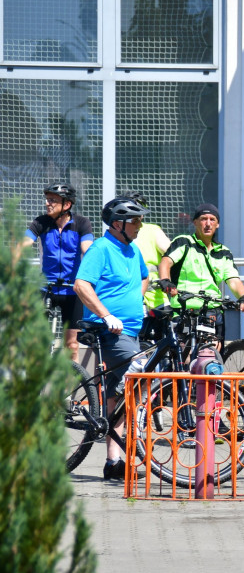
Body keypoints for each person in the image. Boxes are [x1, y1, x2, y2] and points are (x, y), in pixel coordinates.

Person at [73, 197, 150, 480]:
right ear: (118, 224)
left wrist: (139, 299)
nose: (140, 225)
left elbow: (145, 277)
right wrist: (106, 315)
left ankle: (113, 462)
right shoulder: (101, 249)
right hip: (108, 330)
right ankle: (118, 442)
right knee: (140, 367)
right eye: (135, 221)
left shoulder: (132, 250)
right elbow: (81, 285)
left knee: (118, 394)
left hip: (131, 329)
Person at [156, 203, 244, 339]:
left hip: (212, 309)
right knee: (185, 354)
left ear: (217, 224)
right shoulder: (184, 242)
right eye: (203, 219)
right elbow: (166, 262)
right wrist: (166, 281)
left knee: (212, 353)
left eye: (212, 219)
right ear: (195, 222)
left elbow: (234, 280)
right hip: (184, 308)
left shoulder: (223, 252)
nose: (208, 223)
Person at [23, 182, 94, 360]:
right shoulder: (41, 222)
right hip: (45, 288)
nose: (48, 203)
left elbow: (88, 249)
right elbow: (22, 244)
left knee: (71, 345)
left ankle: (70, 387)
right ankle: (36, 384)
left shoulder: (82, 223)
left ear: (67, 204)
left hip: (72, 290)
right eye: (47, 199)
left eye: (53, 200)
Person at [123, 189, 172, 338]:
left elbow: (172, 255)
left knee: (164, 342)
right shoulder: (120, 232)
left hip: (157, 295)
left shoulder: (152, 230)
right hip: (132, 296)